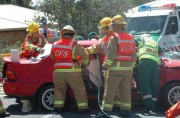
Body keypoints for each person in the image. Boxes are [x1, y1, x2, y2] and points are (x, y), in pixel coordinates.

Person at [50, 25, 90, 114]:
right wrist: (83, 64)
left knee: (59, 89)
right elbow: (85, 55)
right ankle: (83, 108)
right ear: (73, 34)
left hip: (58, 71)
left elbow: (52, 56)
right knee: (79, 90)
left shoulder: (55, 44)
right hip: (72, 71)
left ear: (62, 34)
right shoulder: (74, 43)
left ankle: (58, 107)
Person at [108, 15, 137, 117]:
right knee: (125, 90)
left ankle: (106, 110)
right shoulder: (131, 37)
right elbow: (134, 54)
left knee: (110, 90)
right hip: (128, 69)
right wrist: (131, 66)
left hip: (116, 69)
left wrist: (104, 67)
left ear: (114, 26)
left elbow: (110, 55)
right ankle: (126, 110)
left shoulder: (114, 37)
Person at [137, 34, 163, 115]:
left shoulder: (141, 40)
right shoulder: (154, 42)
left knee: (145, 83)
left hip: (144, 62)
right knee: (153, 84)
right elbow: (161, 54)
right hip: (154, 63)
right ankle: (153, 106)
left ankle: (148, 107)